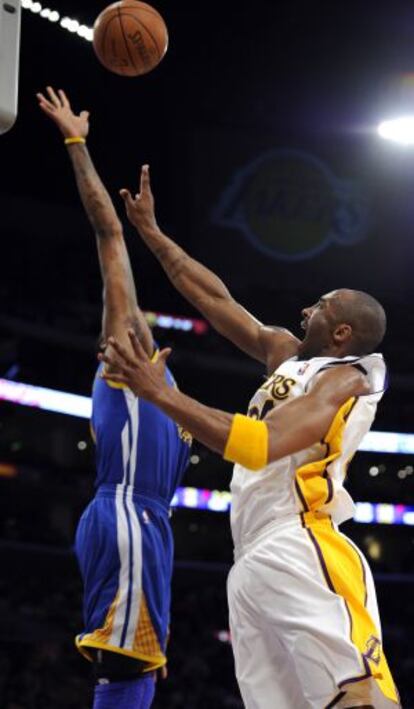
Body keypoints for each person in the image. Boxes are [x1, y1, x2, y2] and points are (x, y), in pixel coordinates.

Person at [98, 165, 401, 708]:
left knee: (353, 697)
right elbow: (212, 297)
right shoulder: (286, 354)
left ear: (342, 333)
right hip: (249, 557)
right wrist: (151, 231)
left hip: (301, 541)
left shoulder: (345, 380)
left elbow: (259, 445)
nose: (307, 308)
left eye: (323, 306)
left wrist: (159, 393)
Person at [37, 90, 191, 709]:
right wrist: (77, 144)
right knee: (126, 662)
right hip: (126, 515)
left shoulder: (164, 384)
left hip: (151, 525)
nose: (133, 317)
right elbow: (107, 232)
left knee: (140, 666)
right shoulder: (122, 360)